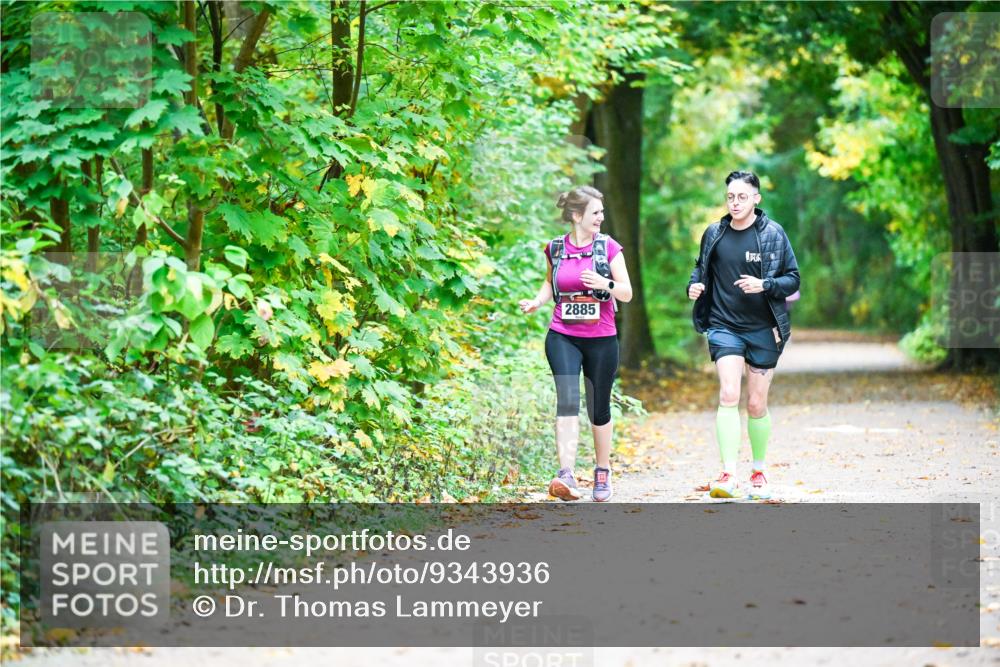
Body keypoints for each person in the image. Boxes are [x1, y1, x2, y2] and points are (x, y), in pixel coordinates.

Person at [687, 171, 800, 500]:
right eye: (730, 197)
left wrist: (764, 284)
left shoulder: (774, 235)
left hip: (763, 329)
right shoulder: (714, 234)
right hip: (724, 326)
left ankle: (759, 471)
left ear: (756, 199)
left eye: (742, 197)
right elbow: (700, 268)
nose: (735, 202)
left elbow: (792, 279)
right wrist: (694, 285)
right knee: (728, 394)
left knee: (755, 403)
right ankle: (727, 473)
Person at [519, 186, 633, 502]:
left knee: (599, 407)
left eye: (602, 212)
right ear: (576, 215)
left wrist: (606, 284)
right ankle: (566, 474)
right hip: (562, 335)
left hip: (602, 338)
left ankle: (602, 470)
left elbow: (627, 292)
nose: (601, 217)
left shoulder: (609, 248)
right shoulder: (556, 249)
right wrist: (536, 302)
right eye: (595, 212)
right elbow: (549, 282)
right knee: (567, 399)